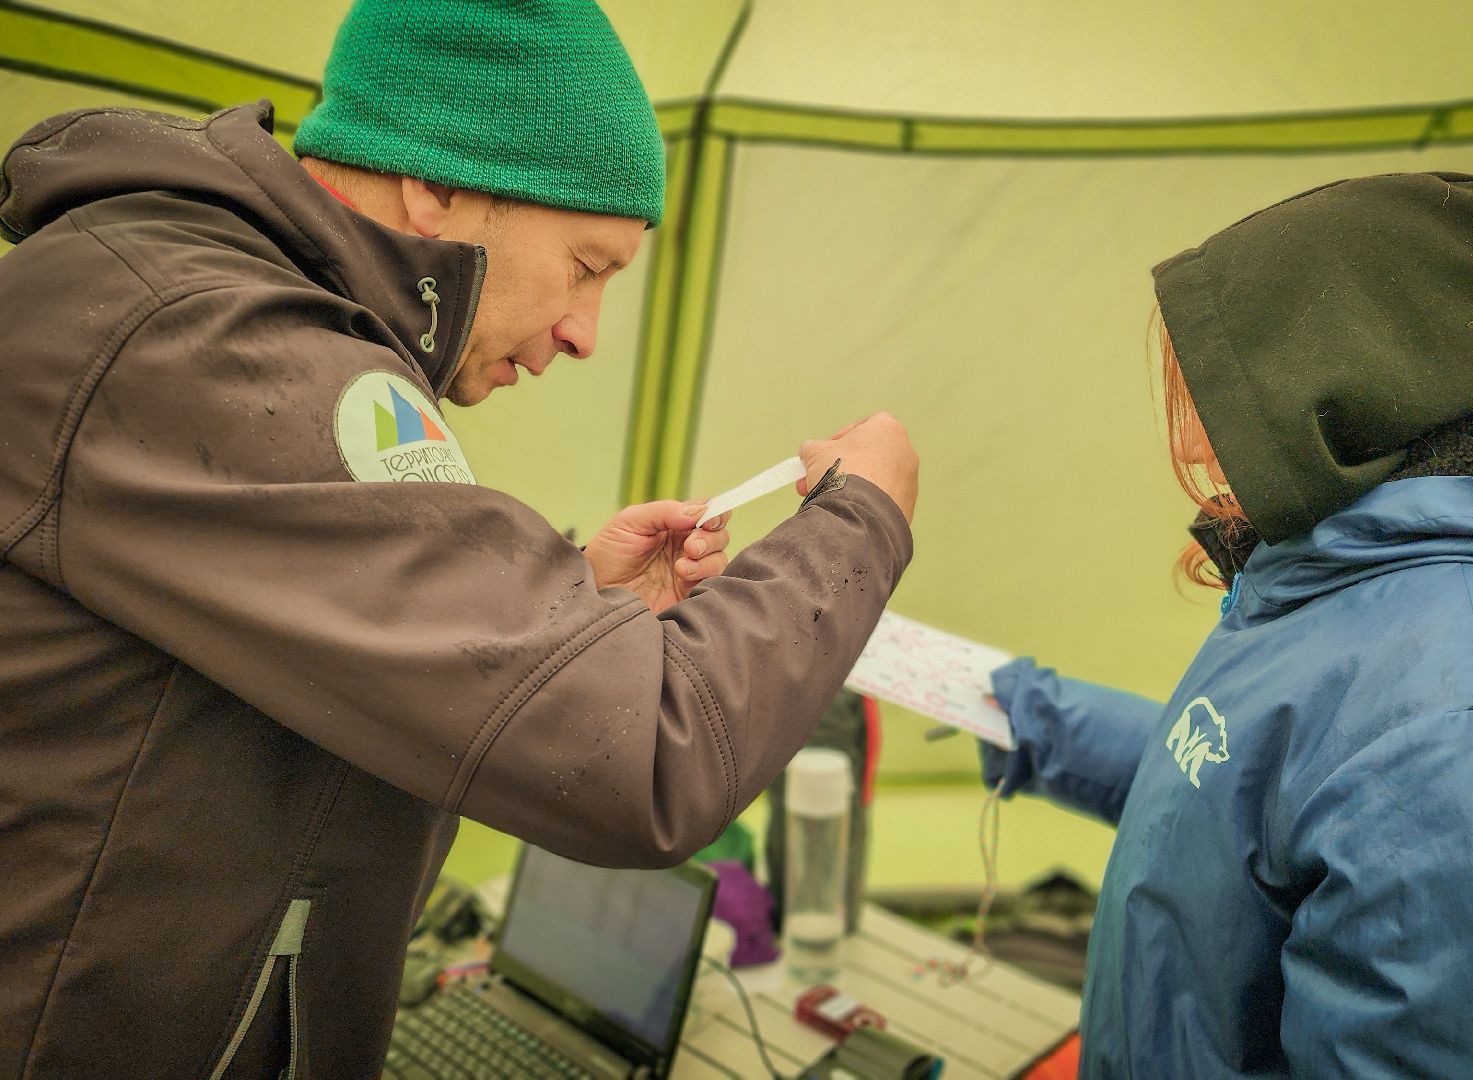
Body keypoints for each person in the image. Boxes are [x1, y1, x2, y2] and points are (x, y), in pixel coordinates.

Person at [0, 2, 918, 1077]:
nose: (586, 334)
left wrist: (583, 607)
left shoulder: (213, 315)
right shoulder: (213, 342)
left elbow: (299, 661)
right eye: (586, 266)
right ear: (436, 183)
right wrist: (862, 520)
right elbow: (647, 761)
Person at [981, 172, 1473, 1078]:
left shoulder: (1462, 737)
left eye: (1221, 402)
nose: (1188, 447)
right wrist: (1038, 720)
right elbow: (1258, 783)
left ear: (1348, 397)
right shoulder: (1356, 570)